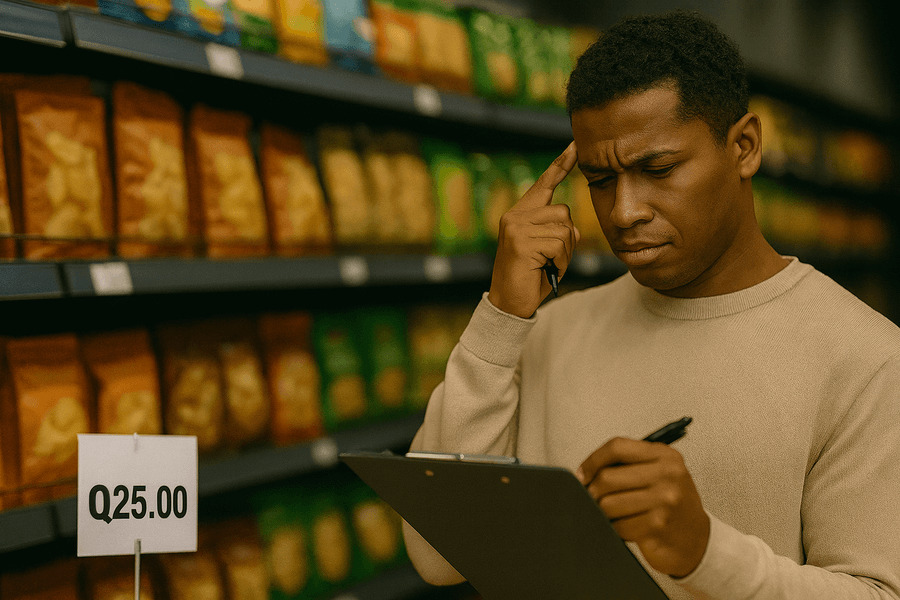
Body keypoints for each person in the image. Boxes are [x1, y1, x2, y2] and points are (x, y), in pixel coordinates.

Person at [401, 10, 900, 600]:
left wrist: (705, 554)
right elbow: (437, 556)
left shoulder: (865, 356)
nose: (624, 211)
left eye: (657, 168)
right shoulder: (549, 331)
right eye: (600, 179)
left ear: (744, 148)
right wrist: (500, 317)